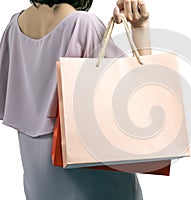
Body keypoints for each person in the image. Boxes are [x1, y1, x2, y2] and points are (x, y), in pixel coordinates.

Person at [0, 0, 151, 199]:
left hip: (40, 185)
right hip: (94, 182)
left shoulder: (14, 27)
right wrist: (140, 28)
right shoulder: (83, 25)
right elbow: (140, 98)